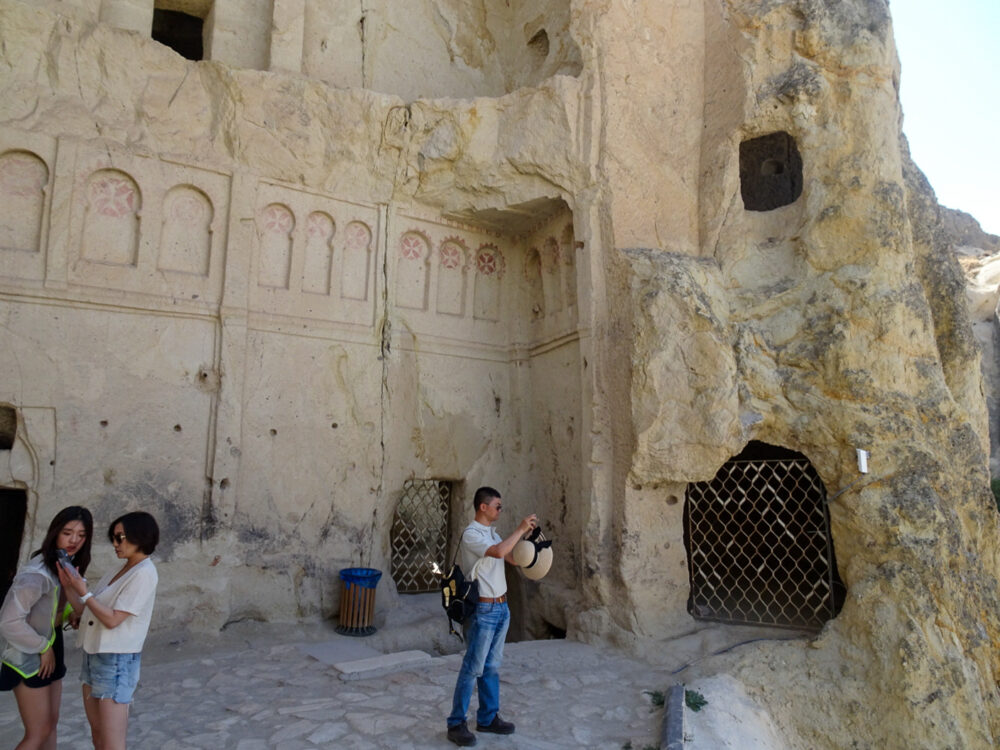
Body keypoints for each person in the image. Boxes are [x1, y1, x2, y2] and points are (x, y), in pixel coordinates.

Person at [59, 511, 159, 750]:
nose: (115, 543)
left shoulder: (144, 573)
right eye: (114, 537)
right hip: (94, 654)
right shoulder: (121, 569)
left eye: (121, 537)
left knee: (113, 742)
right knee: (98, 734)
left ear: (140, 537)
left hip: (117, 661)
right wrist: (70, 588)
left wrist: (83, 592)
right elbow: (91, 610)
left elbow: (114, 619)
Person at [446, 486, 537, 747]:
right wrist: (519, 529)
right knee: (472, 667)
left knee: (491, 667)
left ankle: (487, 717)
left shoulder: (492, 533)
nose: (500, 510)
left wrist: (529, 542)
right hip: (483, 610)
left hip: (500, 608)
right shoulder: (471, 534)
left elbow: (510, 558)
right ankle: (456, 723)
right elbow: (497, 552)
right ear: (483, 507)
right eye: (497, 506)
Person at [0, 505, 94, 750]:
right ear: (55, 533)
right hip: (28, 650)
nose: (74, 540)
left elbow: (49, 607)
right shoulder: (36, 574)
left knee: (51, 725)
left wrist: (68, 613)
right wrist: (43, 647)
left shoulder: (65, 564)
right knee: (38, 732)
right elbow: (8, 622)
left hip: (51, 644)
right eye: (68, 532)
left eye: (81, 535)